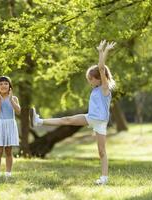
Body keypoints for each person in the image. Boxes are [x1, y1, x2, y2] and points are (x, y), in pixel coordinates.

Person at [30, 40, 116, 185]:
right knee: (67, 119)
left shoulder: (105, 88)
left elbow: (102, 68)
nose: (89, 81)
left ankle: (104, 178)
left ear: (98, 79)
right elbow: (101, 70)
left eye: (90, 79)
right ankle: (39, 121)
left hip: (100, 122)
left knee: (101, 151)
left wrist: (102, 51)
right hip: (90, 118)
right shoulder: (96, 89)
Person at [0, 76, 20, 177]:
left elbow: (18, 110)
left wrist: (11, 99)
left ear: (10, 86)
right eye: (1, 84)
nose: (3, 86)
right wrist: (0, 99)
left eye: (6, 84)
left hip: (10, 125)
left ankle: (8, 172)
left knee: (8, 150)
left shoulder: (14, 98)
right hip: (0, 124)